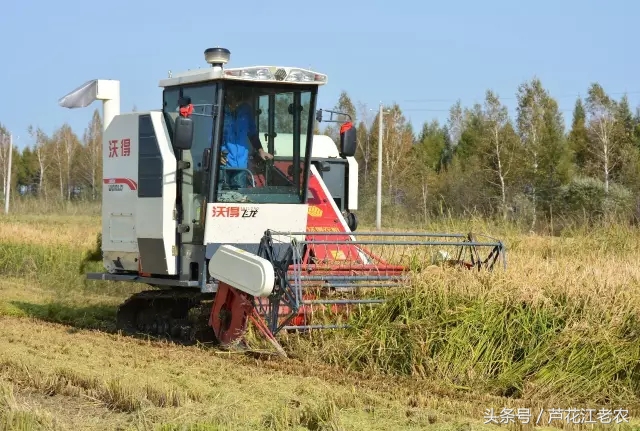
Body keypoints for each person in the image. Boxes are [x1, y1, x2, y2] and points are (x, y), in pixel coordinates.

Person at [220, 91, 273, 188]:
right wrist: (217, 154)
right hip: (223, 164)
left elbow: (252, 133)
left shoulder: (246, 110)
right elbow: (212, 135)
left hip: (241, 165)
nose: (235, 101)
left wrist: (261, 151)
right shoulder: (221, 110)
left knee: (239, 197)